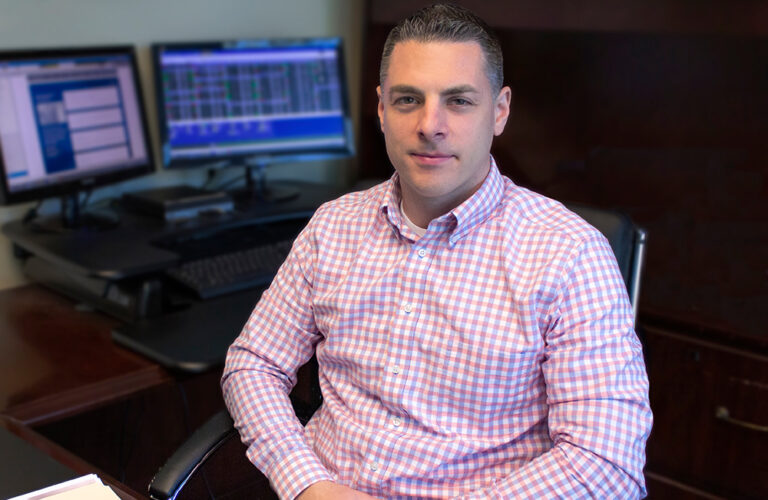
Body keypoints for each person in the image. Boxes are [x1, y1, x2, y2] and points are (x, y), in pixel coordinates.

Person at [222, 3, 653, 499]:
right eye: (408, 100)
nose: (431, 125)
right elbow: (254, 364)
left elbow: (606, 461)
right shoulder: (333, 226)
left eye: (459, 101)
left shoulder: (570, 254)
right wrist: (308, 483)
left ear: (501, 110)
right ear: (382, 109)